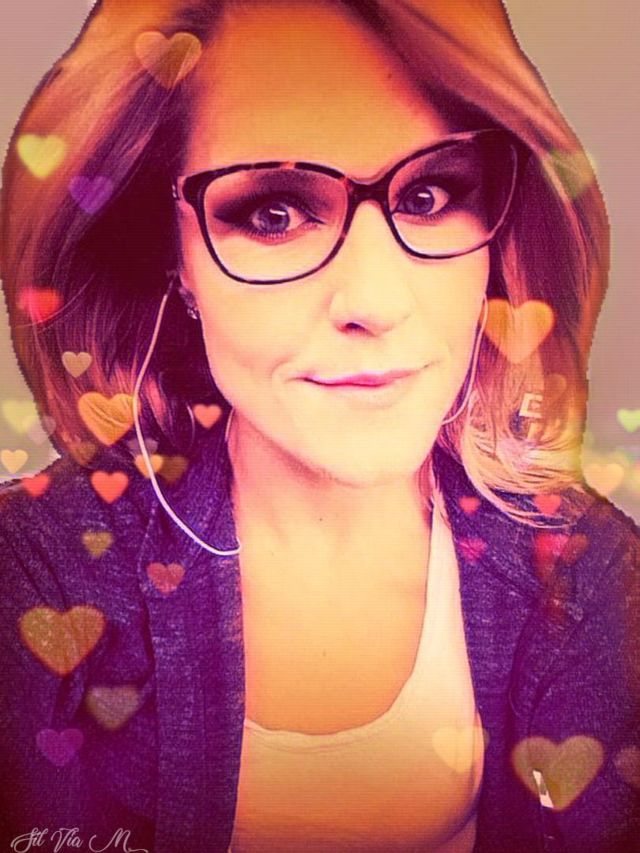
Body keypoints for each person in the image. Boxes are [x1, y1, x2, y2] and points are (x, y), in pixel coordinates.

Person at [1, 0, 638, 851]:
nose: (374, 300)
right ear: (173, 258)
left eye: (430, 195)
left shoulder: (590, 578)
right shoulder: (34, 571)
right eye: (274, 213)